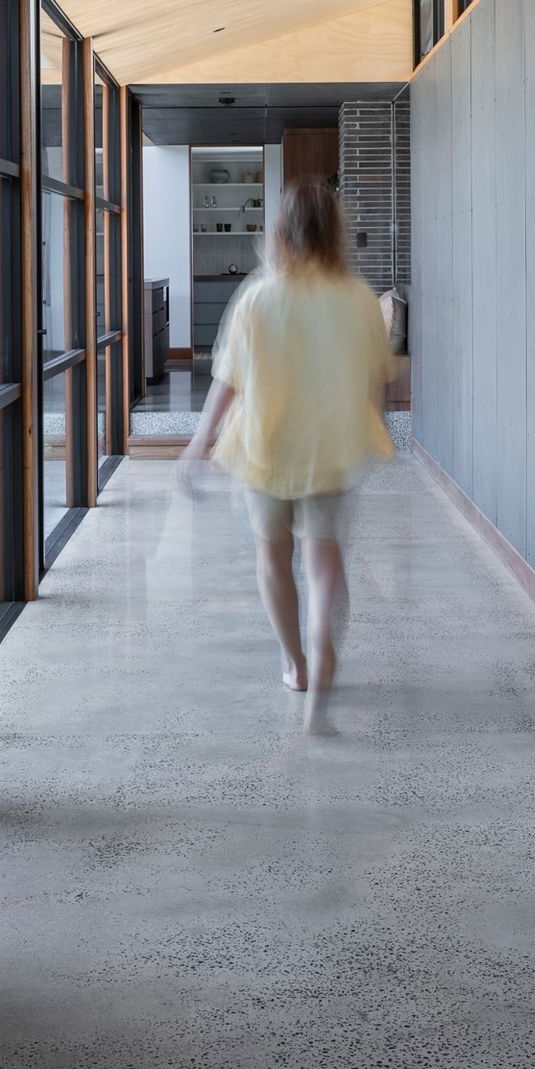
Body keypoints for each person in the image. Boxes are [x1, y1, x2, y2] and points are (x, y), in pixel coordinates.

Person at [180, 176, 394, 728]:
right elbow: (376, 385)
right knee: (324, 566)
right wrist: (371, 428)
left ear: (279, 232)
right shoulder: (361, 300)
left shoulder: (258, 296)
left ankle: (296, 664)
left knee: (273, 557)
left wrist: (199, 442)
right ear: (334, 232)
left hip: (265, 449)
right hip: (331, 446)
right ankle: (324, 653)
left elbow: (227, 380)